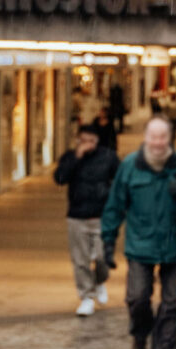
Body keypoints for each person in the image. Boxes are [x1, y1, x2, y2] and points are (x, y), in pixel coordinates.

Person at [101, 116, 176, 349]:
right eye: (154, 137)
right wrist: (107, 241)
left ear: (169, 138)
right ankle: (140, 335)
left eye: (163, 137)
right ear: (145, 138)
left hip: (173, 246)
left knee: (172, 303)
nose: (158, 143)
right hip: (140, 245)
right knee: (138, 298)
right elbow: (115, 205)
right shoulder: (130, 166)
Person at [54, 125, 120, 317]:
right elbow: (59, 178)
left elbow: (122, 180)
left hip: (102, 216)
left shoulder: (108, 157)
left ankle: (99, 281)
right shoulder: (70, 157)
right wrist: (76, 158)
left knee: (102, 258)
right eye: (84, 140)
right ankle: (86, 297)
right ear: (78, 140)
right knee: (80, 260)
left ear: (97, 140)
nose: (88, 144)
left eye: (92, 140)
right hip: (77, 216)